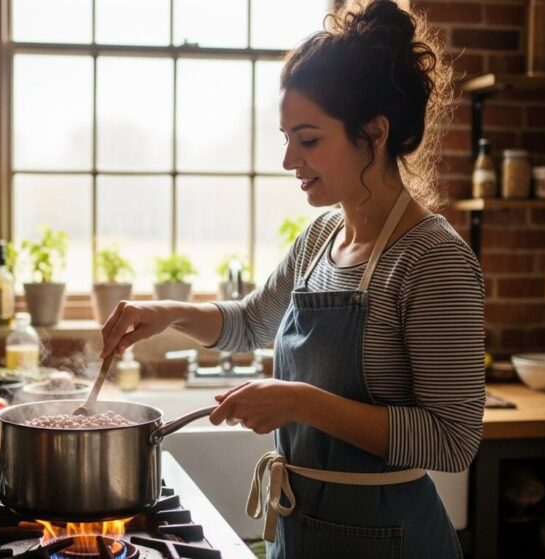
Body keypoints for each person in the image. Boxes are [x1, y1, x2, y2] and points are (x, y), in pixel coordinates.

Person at [101, 0, 484, 557]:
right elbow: (253, 321)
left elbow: (453, 440)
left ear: (373, 134)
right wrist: (165, 312)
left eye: (307, 139)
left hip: (391, 540)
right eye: (286, 137)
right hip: (302, 530)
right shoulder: (321, 236)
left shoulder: (433, 260)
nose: (288, 160)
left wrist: (302, 402)